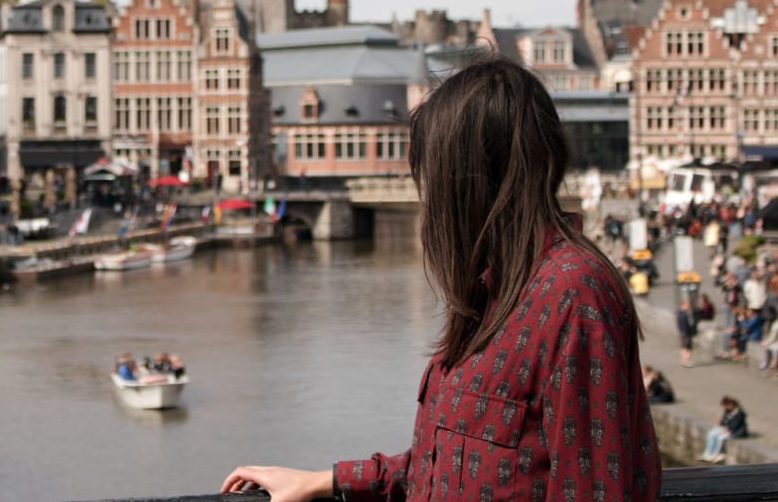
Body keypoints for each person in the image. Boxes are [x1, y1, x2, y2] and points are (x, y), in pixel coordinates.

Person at [220, 57, 661, 501]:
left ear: (469, 182)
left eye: (430, 178)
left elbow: (594, 487)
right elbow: (446, 460)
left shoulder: (573, 294)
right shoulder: (495, 290)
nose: (425, 199)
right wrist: (325, 480)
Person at [699, 396, 748, 463]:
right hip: (727, 429)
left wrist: (728, 429)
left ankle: (716, 454)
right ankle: (708, 453)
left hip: (736, 432)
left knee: (720, 437)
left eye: (725, 406)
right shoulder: (727, 411)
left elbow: (736, 425)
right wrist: (721, 422)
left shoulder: (740, 413)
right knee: (711, 433)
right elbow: (725, 421)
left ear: (730, 405)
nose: (724, 408)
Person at [677, 298, 698, 367]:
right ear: (683, 305)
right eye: (687, 305)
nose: (689, 306)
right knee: (687, 347)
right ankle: (685, 360)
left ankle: (684, 360)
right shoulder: (682, 314)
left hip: (684, 332)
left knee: (684, 347)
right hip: (685, 333)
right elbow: (685, 324)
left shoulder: (680, 312)